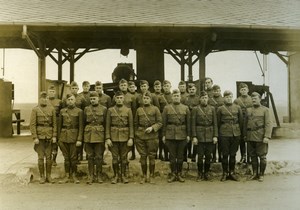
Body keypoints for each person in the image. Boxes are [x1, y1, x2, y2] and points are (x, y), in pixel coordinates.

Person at [105, 91, 134, 184]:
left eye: (121, 98)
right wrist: (108, 138)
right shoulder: (110, 110)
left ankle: (123, 176)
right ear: (115, 99)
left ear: (123, 99)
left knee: (124, 158)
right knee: (114, 158)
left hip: (125, 137)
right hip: (113, 137)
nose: (119, 100)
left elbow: (131, 125)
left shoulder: (128, 110)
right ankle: (116, 175)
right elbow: (107, 125)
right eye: (117, 98)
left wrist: (131, 138)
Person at [162, 89, 190, 183]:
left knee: (180, 156)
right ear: (172, 97)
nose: (176, 97)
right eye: (174, 96)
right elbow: (164, 123)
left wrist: (188, 135)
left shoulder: (185, 108)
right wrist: (164, 135)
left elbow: (188, 123)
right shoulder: (167, 108)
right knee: (172, 156)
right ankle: (173, 173)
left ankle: (180, 173)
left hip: (182, 134)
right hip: (170, 134)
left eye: (178, 96)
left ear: (180, 97)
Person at [135, 91, 162, 184]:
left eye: (147, 98)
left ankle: (152, 175)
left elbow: (160, 123)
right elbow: (135, 123)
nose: (145, 100)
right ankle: (143, 175)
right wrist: (136, 135)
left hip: (152, 136)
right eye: (144, 98)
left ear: (150, 99)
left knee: (151, 156)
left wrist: (152, 128)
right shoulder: (139, 110)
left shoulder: (155, 109)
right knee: (143, 157)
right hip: (140, 136)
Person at [30, 91, 57, 184]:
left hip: (49, 136)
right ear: (39, 99)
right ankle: (42, 176)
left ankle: (49, 176)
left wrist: (54, 136)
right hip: (40, 137)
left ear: (48, 99)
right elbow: (32, 125)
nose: (44, 100)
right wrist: (35, 137)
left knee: (49, 157)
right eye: (42, 98)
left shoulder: (52, 109)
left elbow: (54, 124)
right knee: (41, 158)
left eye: (46, 98)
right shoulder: (35, 110)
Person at [245, 92, 272, 182]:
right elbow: (245, 124)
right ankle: (255, 174)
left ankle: (261, 174)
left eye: (255, 98)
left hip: (261, 137)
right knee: (252, 156)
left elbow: (268, 124)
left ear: (260, 99)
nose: (253, 100)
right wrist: (245, 135)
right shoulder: (248, 110)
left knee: (262, 156)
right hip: (250, 136)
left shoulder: (265, 110)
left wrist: (267, 136)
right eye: (252, 99)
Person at [217, 90, 243, 182]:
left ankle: (232, 172)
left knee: (233, 154)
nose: (229, 98)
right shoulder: (220, 109)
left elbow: (240, 122)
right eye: (227, 97)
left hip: (235, 133)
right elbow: (218, 122)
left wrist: (240, 133)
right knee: (225, 154)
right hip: (224, 133)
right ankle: (225, 173)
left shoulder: (238, 108)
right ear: (224, 98)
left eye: (230, 97)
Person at [192, 91, 218, 181]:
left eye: (205, 98)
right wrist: (194, 136)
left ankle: (206, 173)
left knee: (208, 155)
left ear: (208, 99)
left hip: (210, 135)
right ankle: (200, 173)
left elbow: (215, 123)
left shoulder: (212, 109)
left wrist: (215, 136)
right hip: (199, 135)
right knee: (200, 156)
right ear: (200, 99)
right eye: (202, 98)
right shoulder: (195, 109)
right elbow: (193, 124)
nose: (204, 99)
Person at [58, 93, 83, 184]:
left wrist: (79, 139)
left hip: (74, 136)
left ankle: (74, 175)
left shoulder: (79, 111)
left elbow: (81, 127)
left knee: (73, 158)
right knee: (66, 158)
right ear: (66, 101)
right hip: (64, 136)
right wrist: (59, 139)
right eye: (69, 100)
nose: (70, 101)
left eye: (72, 99)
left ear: (75, 101)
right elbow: (59, 126)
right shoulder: (62, 111)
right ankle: (67, 175)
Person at [83, 91, 107, 184]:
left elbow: (105, 123)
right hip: (88, 135)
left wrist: (105, 137)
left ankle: (99, 175)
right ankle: (91, 176)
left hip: (99, 134)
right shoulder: (86, 109)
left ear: (98, 99)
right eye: (91, 99)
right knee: (90, 156)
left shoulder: (104, 109)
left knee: (98, 156)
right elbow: (84, 122)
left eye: (94, 99)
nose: (93, 100)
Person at [112, 79, 137, 160]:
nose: (123, 87)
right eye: (122, 85)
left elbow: (134, 109)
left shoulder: (132, 97)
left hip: (128, 118)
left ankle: (133, 153)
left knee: (130, 136)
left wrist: (132, 120)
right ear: (119, 86)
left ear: (127, 86)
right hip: (118, 119)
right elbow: (113, 107)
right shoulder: (116, 96)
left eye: (125, 85)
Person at [234, 83, 253, 164]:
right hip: (240, 122)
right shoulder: (236, 100)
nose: (243, 91)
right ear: (239, 91)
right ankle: (243, 156)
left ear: (248, 90)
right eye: (242, 90)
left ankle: (250, 156)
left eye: (245, 89)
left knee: (250, 139)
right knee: (242, 139)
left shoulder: (252, 99)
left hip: (250, 121)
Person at [183, 83, 200, 162]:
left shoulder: (198, 98)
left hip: (196, 120)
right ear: (188, 90)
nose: (192, 91)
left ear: (196, 90)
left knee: (195, 137)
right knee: (187, 137)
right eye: (190, 89)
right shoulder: (185, 99)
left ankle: (194, 155)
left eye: (193, 89)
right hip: (187, 119)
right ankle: (188, 153)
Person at [157, 80, 173, 161]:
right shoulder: (160, 97)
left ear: (170, 87)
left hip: (171, 119)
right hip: (162, 119)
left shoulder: (173, 96)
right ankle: (161, 154)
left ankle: (170, 154)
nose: (166, 88)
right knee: (161, 137)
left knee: (170, 138)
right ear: (163, 87)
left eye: (168, 86)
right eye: (165, 86)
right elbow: (158, 108)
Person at [209, 84, 224, 163]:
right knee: (213, 141)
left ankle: (221, 156)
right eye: (215, 91)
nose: (216, 92)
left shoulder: (223, 100)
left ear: (220, 91)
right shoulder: (209, 100)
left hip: (221, 122)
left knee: (221, 141)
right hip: (212, 121)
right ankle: (213, 157)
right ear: (212, 92)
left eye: (218, 91)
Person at [47, 85, 62, 166]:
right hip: (47, 123)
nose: (52, 93)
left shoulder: (59, 102)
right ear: (48, 92)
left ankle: (54, 160)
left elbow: (62, 112)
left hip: (56, 122)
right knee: (47, 141)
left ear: (55, 93)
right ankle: (48, 159)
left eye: (53, 92)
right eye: (50, 91)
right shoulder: (45, 101)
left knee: (55, 141)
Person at [152, 80, 164, 160]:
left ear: (161, 87)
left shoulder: (163, 96)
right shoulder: (151, 95)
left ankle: (160, 153)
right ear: (154, 87)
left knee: (161, 137)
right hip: (153, 118)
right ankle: (154, 153)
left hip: (161, 118)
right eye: (156, 87)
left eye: (159, 86)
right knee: (154, 138)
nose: (157, 88)